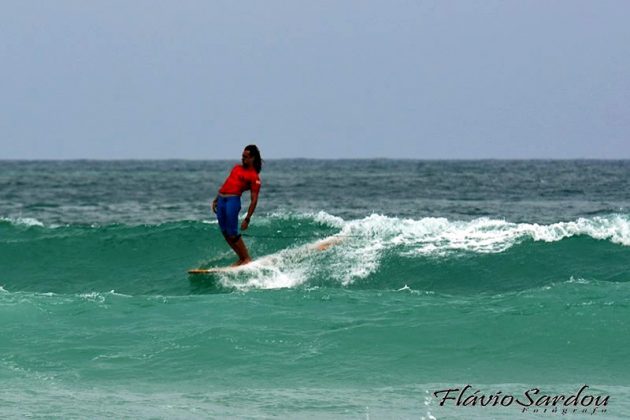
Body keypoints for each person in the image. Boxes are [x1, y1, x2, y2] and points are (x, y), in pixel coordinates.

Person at [212, 145, 262, 266]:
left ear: (252, 158)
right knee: (224, 232)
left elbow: (254, 200)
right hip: (222, 200)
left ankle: (246, 258)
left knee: (232, 232)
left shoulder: (254, 177)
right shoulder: (236, 168)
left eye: (245, 157)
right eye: (242, 156)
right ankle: (241, 258)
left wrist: (247, 219)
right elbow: (227, 184)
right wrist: (216, 199)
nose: (243, 159)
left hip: (232, 201)